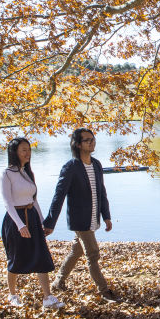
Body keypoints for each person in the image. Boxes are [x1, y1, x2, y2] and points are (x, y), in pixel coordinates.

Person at [43, 127, 118, 301]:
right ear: (77, 144)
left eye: (93, 139)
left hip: (93, 217)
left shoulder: (97, 164)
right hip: (79, 220)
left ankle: (58, 282)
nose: (92, 142)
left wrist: (106, 216)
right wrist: (50, 223)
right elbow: (59, 196)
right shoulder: (70, 167)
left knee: (76, 251)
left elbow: (102, 192)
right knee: (92, 253)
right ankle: (104, 291)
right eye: (87, 140)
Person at [0, 137, 63, 310]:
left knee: (41, 255)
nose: (28, 153)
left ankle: (47, 297)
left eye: (29, 149)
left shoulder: (28, 172)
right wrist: (20, 225)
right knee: (15, 258)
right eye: (23, 150)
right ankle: (12, 294)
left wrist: (43, 222)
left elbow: (34, 200)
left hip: (32, 216)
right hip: (15, 220)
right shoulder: (6, 174)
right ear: (15, 152)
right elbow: (7, 203)